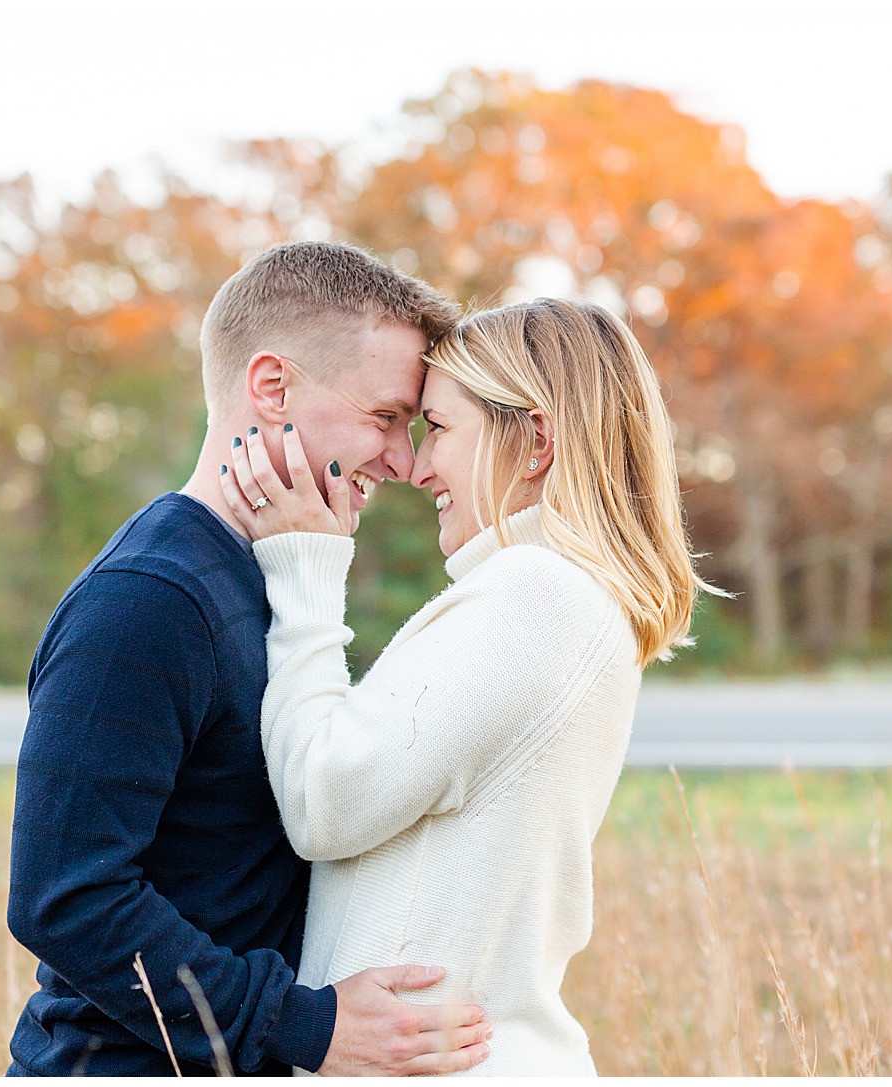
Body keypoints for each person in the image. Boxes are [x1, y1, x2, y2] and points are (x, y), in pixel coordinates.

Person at [5, 242, 494, 1077]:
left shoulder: (282, 578)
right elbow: (66, 896)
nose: (405, 460)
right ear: (272, 388)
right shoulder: (146, 599)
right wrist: (305, 1026)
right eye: (384, 417)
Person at [217, 297, 714, 1075]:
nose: (416, 467)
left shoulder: (533, 594)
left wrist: (305, 570)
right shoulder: (565, 600)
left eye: (440, 429)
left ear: (537, 439)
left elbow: (324, 796)